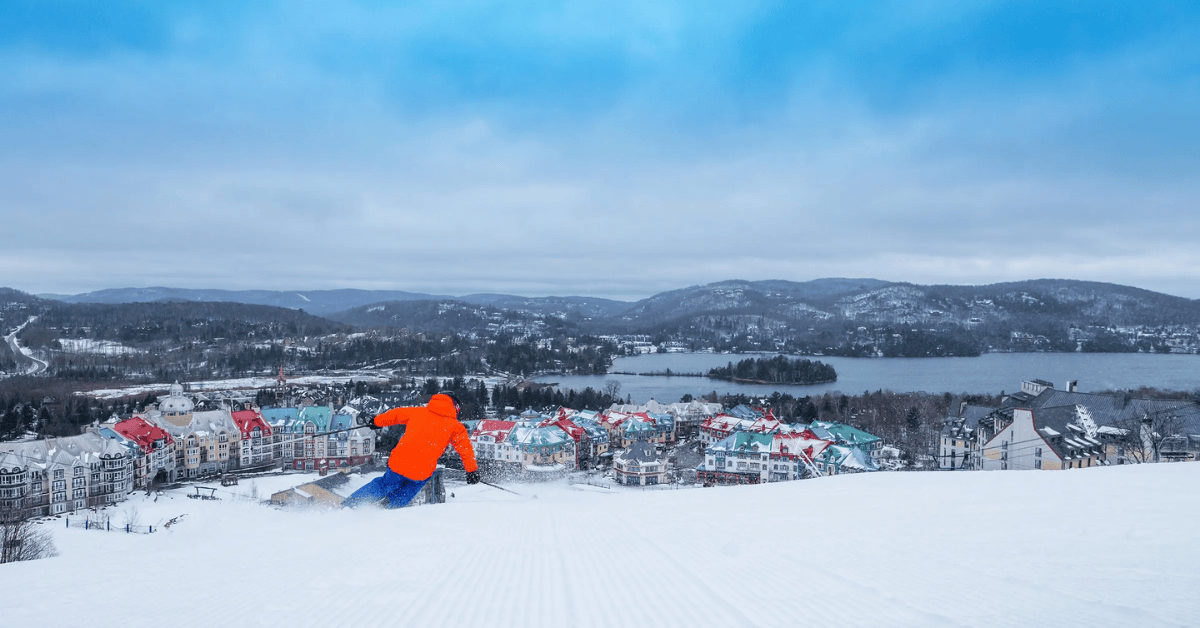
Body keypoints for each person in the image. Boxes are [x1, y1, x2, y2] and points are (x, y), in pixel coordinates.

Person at [343, 391, 479, 508]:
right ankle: (386, 509)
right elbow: (465, 449)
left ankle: (350, 505)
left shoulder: (417, 412)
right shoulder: (456, 427)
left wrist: (376, 421)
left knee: (384, 485)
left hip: (399, 462)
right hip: (422, 469)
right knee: (408, 490)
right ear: (455, 407)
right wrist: (471, 470)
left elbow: (395, 415)